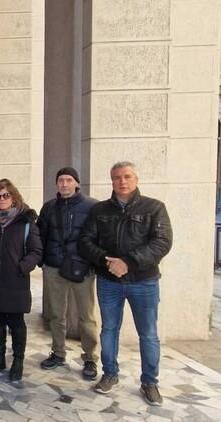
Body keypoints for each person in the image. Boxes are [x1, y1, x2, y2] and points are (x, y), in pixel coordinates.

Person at [79, 161, 172, 406]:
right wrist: (106, 261)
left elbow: (162, 242)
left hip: (144, 281)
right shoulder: (100, 210)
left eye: (127, 176)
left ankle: (150, 382)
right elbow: (86, 241)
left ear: (136, 179)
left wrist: (128, 262)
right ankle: (110, 374)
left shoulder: (154, 208)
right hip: (109, 281)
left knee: (149, 334)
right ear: (112, 181)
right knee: (109, 330)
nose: (122, 181)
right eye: (117, 177)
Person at [0, 179, 42, 381]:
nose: (2, 199)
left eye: (6, 195)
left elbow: (36, 251)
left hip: (15, 280)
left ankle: (18, 361)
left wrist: (22, 267)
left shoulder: (25, 221)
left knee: (16, 322)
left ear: (14, 197)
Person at [37, 167, 99, 379]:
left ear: (77, 183)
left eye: (68, 180)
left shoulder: (92, 206)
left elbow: (97, 237)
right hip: (54, 266)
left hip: (81, 267)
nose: (64, 184)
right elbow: (41, 235)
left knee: (86, 316)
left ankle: (90, 357)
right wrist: (41, 261)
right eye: (60, 180)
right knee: (56, 313)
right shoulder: (49, 207)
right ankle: (58, 352)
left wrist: (93, 262)